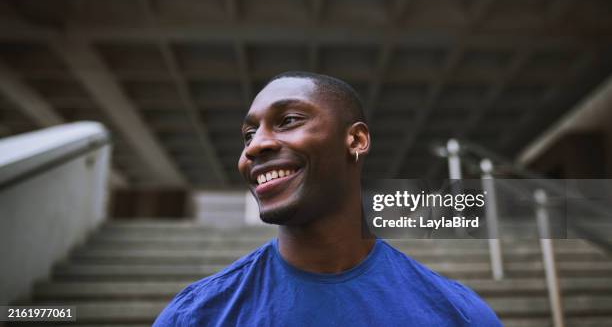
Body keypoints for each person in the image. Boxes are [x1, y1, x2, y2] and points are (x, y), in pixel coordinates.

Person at [153, 71, 502, 326]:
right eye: (248, 135)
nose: (255, 146)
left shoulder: (460, 316)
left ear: (356, 140)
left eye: (288, 120)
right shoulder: (195, 316)